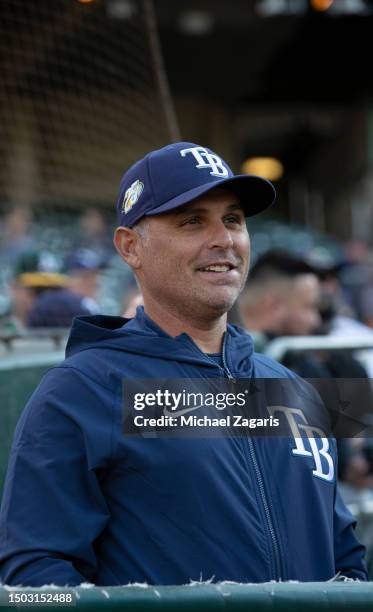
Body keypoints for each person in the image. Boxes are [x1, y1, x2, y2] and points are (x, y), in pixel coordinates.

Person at [0, 142, 367, 586]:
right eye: (192, 221)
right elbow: (31, 587)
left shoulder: (291, 387)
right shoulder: (82, 390)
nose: (224, 239)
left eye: (233, 219)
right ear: (131, 247)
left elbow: (347, 563)